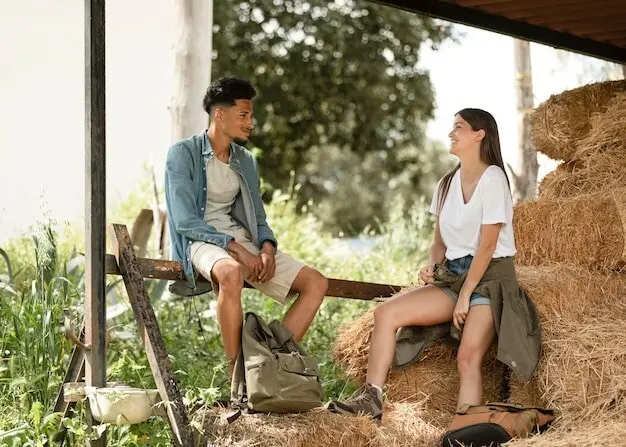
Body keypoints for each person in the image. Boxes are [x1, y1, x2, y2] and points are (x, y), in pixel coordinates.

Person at [329, 108, 540, 421]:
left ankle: (465, 430)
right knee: (385, 313)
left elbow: (487, 246)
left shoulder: (493, 179)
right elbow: (439, 243)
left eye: (459, 127)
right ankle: (371, 399)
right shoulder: (446, 184)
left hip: (490, 278)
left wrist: (466, 294)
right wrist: (432, 267)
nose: (451, 133)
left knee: (467, 357)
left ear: (479, 134)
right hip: (452, 275)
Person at [165, 76, 328, 377]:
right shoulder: (183, 154)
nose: (250, 123)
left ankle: (267, 367)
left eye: (251, 115)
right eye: (243, 115)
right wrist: (238, 251)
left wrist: (266, 248)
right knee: (230, 272)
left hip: (238, 238)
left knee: (316, 283)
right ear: (219, 114)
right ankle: (236, 375)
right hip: (199, 241)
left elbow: (259, 217)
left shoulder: (246, 160)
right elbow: (185, 220)